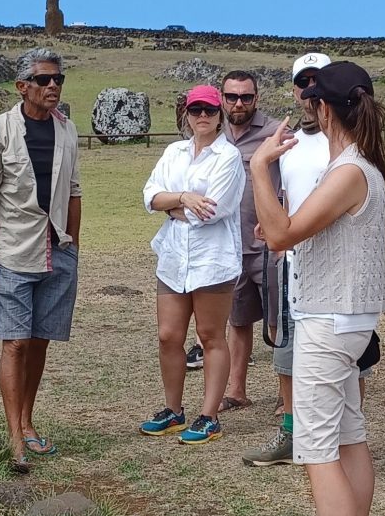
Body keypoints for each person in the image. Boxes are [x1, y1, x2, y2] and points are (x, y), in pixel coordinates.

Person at [251, 60, 385, 516]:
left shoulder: (348, 171)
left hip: (328, 322)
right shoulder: (359, 167)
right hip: (344, 319)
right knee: (348, 439)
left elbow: (282, 234)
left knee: (317, 449)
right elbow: (297, 233)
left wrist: (261, 166)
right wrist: (283, 227)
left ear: (324, 109)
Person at [0, 47, 82, 474]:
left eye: (58, 79)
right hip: (12, 252)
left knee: (39, 341)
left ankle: (28, 422)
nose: (52, 86)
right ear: (22, 86)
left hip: (57, 252)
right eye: (43, 80)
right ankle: (14, 436)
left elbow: (74, 190)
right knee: (15, 342)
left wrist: (73, 244)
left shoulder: (67, 130)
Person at [139, 85, 245, 444]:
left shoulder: (228, 157)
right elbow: (149, 196)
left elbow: (212, 211)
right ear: (186, 113)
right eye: (196, 109)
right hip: (173, 257)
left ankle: (209, 415)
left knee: (210, 335)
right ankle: (174, 410)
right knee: (168, 336)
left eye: (210, 110)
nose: (203, 116)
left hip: (211, 260)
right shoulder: (174, 152)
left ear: (220, 115)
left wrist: (170, 206)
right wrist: (182, 198)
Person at [243, 53, 332, 465]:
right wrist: (273, 227)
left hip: (334, 265)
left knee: (350, 358)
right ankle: (292, 433)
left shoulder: (346, 141)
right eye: (303, 83)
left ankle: (344, 437)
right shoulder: (289, 142)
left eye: (318, 82)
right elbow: (285, 197)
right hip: (293, 262)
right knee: (286, 351)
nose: (309, 92)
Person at [216, 71, 281, 411]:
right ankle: (236, 390)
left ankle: (288, 394)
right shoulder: (214, 132)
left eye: (246, 97)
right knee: (237, 320)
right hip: (228, 246)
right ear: (222, 97)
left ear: (257, 97)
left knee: (278, 321)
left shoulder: (274, 133)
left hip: (268, 245)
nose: (238, 103)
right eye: (231, 97)